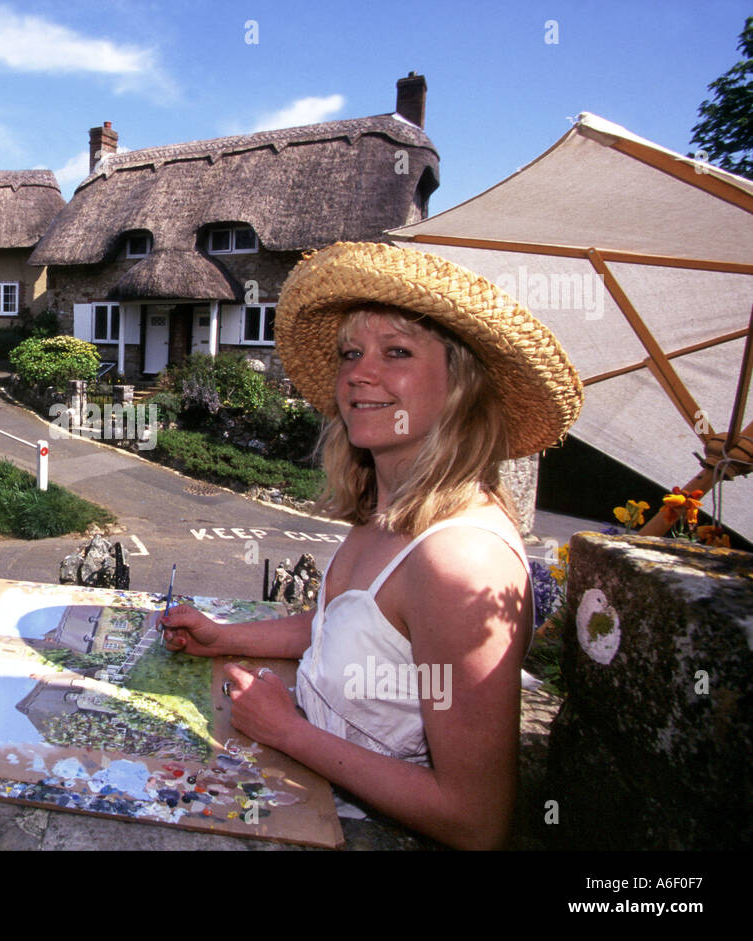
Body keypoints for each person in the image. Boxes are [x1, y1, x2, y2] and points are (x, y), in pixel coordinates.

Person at [160, 241, 583, 850]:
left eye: (398, 352)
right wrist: (223, 636)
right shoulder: (388, 510)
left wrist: (288, 732)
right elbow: (347, 629)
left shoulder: (458, 561)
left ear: (461, 385)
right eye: (351, 353)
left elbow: (476, 820)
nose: (359, 373)